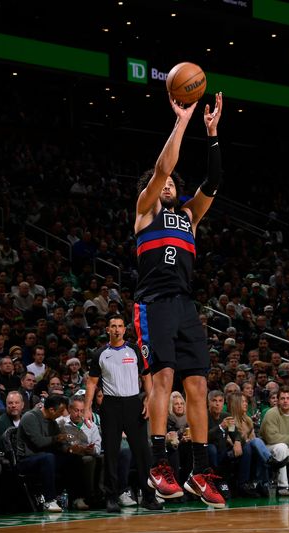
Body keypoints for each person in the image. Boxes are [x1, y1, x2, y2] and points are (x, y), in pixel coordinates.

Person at [135, 92, 225, 507]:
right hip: (154, 301)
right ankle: (158, 464)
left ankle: (200, 470)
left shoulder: (189, 216)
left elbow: (214, 183)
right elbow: (162, 166)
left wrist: (212, 135)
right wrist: (182, 121)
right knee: (163, 377)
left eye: (173, 183)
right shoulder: (145, 210)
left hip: (186, 304)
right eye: (164, 183)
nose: (168, 183)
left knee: (198, 385)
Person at [84, 314, 161, 512]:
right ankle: (111, 497)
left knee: (143, 453)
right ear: (107, 329)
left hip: (134, 403)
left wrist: (148, 399)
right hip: (110, 405)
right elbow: (92, 383)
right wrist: (87, 408)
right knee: (111, 453)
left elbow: (147, 376)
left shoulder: (135, 350)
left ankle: (149, 496)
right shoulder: (100, 353)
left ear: (124, 330)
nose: (117, 329)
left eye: (120, 326)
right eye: (113, 326)